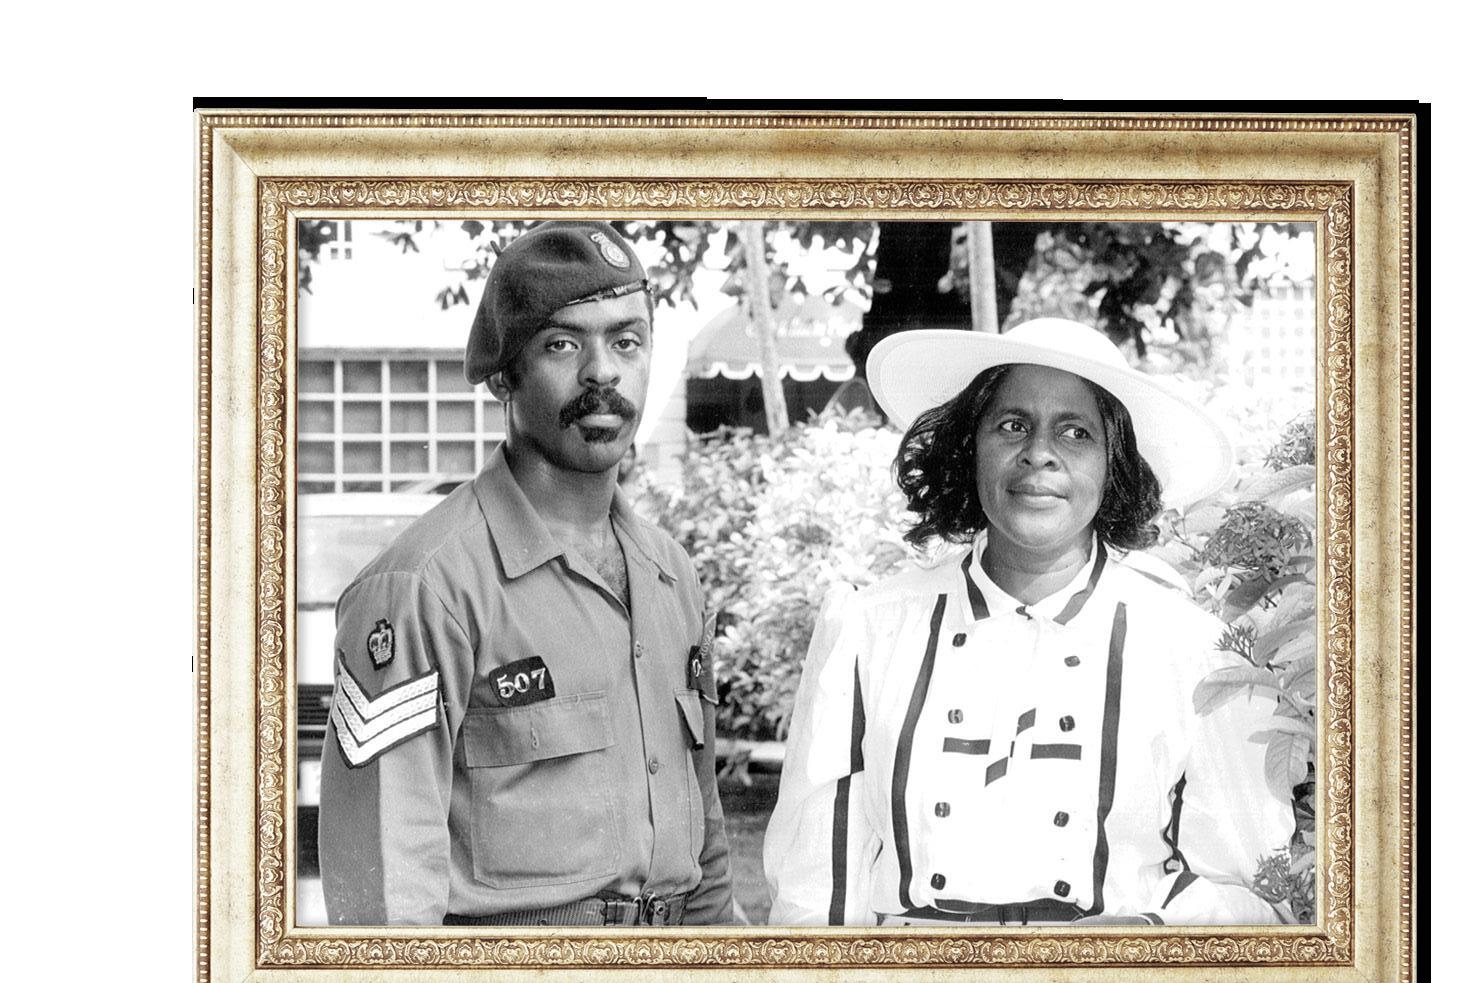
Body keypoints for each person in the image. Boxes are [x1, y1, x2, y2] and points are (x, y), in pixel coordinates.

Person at [763, 318, 1294, 926]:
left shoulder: (1192, 651)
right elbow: (815, 895)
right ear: (969, 448)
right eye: (1012, 425)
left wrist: (1146, 938)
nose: (1039, 453)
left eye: (1075, 433)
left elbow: (1253, 889)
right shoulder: (870, 631)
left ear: (1114, 464)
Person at [318, 221, 735, 927]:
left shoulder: (672, 576)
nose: (602, 373)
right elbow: (384, 900)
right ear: (503, 376)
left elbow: (706, 844)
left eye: (627, 342)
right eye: (562, 344)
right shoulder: (425, 589)